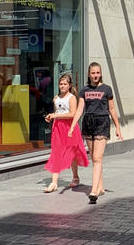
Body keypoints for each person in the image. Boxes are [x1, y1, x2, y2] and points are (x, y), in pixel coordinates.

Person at [75, 62, 123, 204]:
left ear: (100, 73)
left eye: (98, 73)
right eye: (93, 73)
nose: (95, 75)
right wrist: (72, 127)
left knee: (97, 158)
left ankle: (94, 191)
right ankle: (100, 187)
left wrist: (118, 128)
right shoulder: (84, 90)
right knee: (94, 158)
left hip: (102, 122)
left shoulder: (107, 89)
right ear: (89, 74)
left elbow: (112, 109)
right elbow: (80, 109)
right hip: (88, 123)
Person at [43, 73, 89, 193]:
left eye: (65, 84)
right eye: (61, 84)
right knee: (56, 152)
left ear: (69, 85)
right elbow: (57, 112)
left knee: (71, 153)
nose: (62, 86)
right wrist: (51, 117)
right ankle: (54, 182)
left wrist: (56, 115)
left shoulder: (72, 98)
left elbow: (73, 114)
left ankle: (75, 176)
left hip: (69, 128)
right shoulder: (56, 98)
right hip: (57, 128)